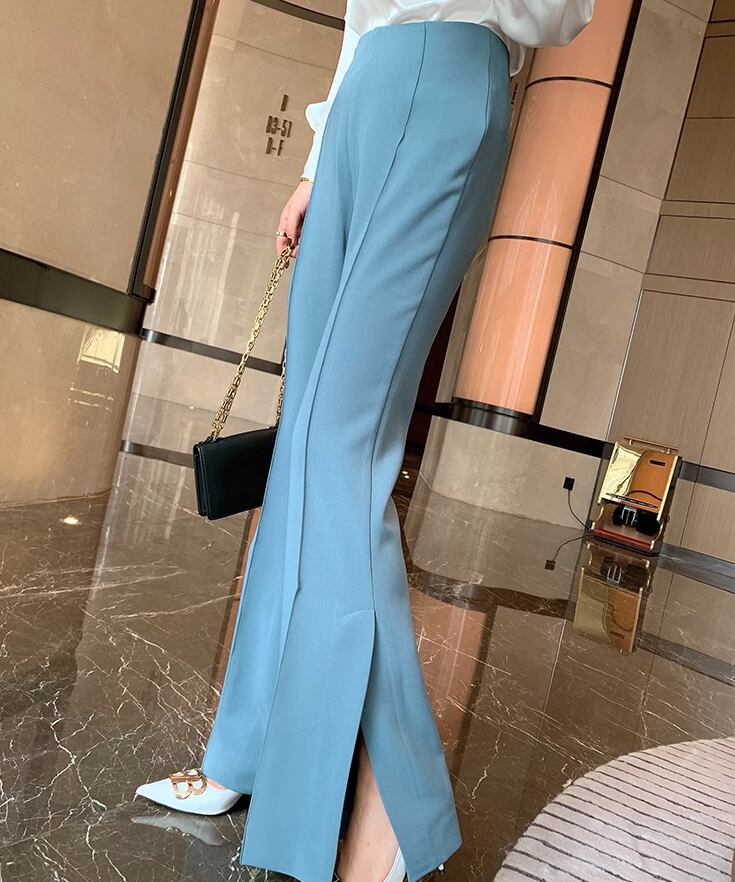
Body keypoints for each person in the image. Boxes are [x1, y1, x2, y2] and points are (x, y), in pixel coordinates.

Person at [136, 2, 595, 881]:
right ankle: (242, 750)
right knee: (302, 452)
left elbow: (560, 14)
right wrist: (316, 163)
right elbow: (361, 21)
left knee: (339, 452)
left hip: (448, 78)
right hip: (362, 97)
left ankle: (396, 800)